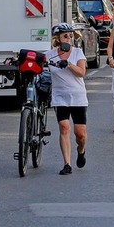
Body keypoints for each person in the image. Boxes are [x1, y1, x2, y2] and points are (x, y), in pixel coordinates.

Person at [47, 23, 88, 175]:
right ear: (58, 38)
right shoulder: (50, 54)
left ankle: (81, 149)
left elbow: (82, 72)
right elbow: (38, 61)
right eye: (65, 35)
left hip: (77, 97)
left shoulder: (78, 53)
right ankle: (67, 164)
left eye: (70, 35)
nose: (68, 38)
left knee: (80, 134)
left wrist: (69, 64)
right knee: (64, 127)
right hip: (60, 97)